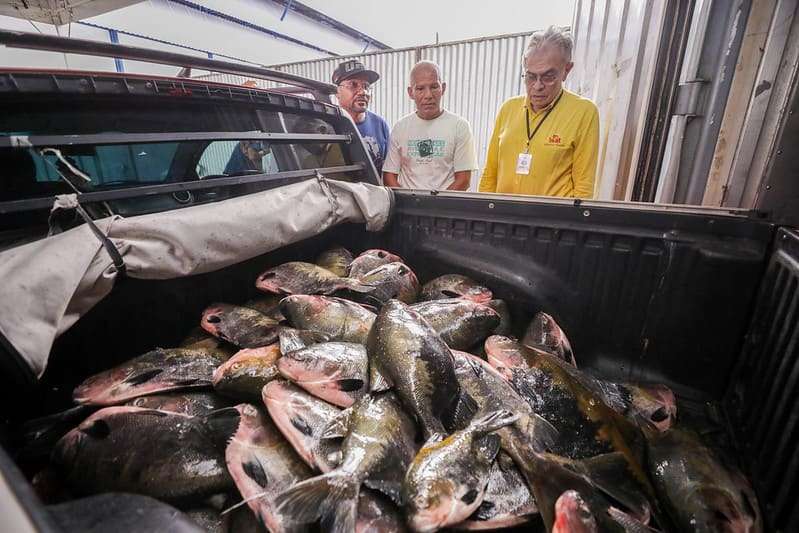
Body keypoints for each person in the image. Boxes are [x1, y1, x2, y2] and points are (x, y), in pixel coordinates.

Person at [478, 26, 599, 198]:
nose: (537, 86)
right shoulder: (508, 109)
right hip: (504, 218)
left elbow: (584, 187)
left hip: (550, 221)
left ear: (566, 70)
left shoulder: (584, 112)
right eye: (531, 76)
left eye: (548, 77)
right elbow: (490, 174)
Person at [382, 61, 477, 191]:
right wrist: (409, 203)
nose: (428, 95)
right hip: (407, 207)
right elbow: (389, 177)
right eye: (420, 89)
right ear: (410, 92)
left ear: (443, 88)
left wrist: (435, 207)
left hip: (444, 208)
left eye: (434, 87)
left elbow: (463, 180)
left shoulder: (459, 126)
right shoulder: (400, 127)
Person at [332, 59, 390, 172]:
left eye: (366, 86)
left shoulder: (380, 125)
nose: (363, 92)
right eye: (353, 85)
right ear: (337, 92)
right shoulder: (329, 125)